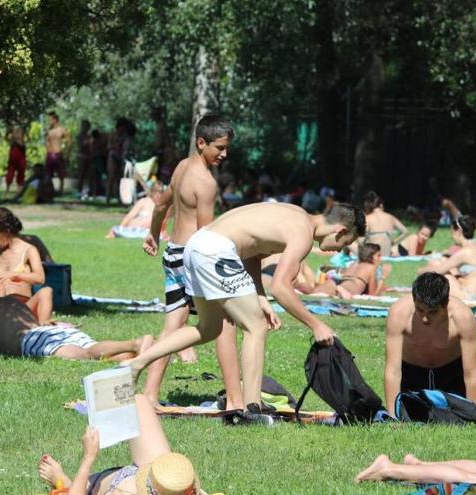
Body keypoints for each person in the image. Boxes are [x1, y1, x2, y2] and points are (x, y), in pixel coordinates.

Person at [124, 201, 365, 421]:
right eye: (346, 243)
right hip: (216, 250)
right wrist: (316, 325)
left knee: (208, 329)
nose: (341, 250)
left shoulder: (296, 214)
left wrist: (259, 296)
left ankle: (136, 364)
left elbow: (253, 254)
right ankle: (252, 409)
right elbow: (282, 288)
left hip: (197, 245)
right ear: (340, 231)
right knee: (256, 327)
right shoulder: (302, 234)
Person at [140, 115, 240, 409]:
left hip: (172, 253)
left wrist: (153, 235)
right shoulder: (206, 183)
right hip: (192, 258)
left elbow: (161, 204)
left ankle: (149, 394)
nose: (224, 154)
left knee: (173, 327)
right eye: (219, 148)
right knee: (225, 322)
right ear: (201, 142)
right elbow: (207, 236)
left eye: (226, 148)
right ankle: (236, 400)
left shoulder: (182, 167)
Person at [37, 390, 207, 495]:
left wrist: (89, 457)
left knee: (80, 488)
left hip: (117, 484)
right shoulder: (179, 484)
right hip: (157, 477)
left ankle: (65, 483)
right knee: (138, 402)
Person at [0, 275, 146, 361]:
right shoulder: (9, 302)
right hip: (53, 332)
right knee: (92, 352)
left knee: (87, 355)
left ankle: (134, 344)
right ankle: (137, 354)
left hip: (32, 339)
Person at [384, 273, 476, 416]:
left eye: (433, 312)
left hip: (450, 374)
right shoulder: (399, 313)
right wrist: (392, 416)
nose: (424, 318)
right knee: (412, 415)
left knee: (454, 418)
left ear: (446, 304)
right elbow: (392, 370)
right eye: (420, 309)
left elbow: (471, 373)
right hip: (411, 374)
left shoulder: (463, 317)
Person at [0, 207, 54, 324]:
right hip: (1, 307)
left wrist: (14, 274)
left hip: (24, 308)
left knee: (46, 291)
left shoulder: (29, 250)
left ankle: (44, 326)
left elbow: (40, 278)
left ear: (6, 230)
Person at [421, 216, 476, 302]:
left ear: (458, 232)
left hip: (467, 296)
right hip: (474, 291)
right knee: (442, 262)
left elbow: (439, 270)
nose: (452, 237)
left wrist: (420, 270)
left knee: (436, 268)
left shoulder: (464, 253)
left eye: (452, 232)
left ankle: (425, 297)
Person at [311, 243, 386, 299]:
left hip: (337, 280)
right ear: (370, 256)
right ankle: (339, 290)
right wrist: (381, 279)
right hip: (351, 285)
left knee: (315, 293)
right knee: (345, 293)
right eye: (378, 255)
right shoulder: (372, 267)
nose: (380, 258)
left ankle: (337, 288)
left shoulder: (354, 263)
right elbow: (371, 295)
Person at [363, 191, 409, 256]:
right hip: (387, 255)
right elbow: (406, 232)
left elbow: (361, 240)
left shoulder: (368, 218)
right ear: (381, 205)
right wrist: (393, 242)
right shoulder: (391, 217)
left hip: (373, 255)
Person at [107, 117, 136, 204]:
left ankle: (120, 198)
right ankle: (108, 199)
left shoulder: (126, 136)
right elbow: (108, 147)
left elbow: (127, 148)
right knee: (111, 177)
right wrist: (115, 146)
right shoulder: (112, 135)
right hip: (113, 156)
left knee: (120, 179)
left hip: (122, 158)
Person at [45, 111, 72, 194]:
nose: (49, 121)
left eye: (50, 120)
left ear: (55, 120)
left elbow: (69, 142)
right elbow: (47, 142)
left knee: (61, 174)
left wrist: (67, 154)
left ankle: (60, 190)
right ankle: (50, 190)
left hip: (58, 154)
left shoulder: (62, 130)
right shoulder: (49, 130)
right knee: (48, 174)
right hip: (50, 154)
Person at [5, 126, 27, 193]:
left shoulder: (23, 127)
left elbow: (28, 138)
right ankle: (8, 188)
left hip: (22, 150)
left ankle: (19, 189)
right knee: (11, 170)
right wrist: (12, 141)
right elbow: (6, 137)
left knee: (21, 169)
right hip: (14, 150)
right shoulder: (11, 127)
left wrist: (23, 142)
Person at [75, 120, 92, 197]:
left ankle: (87, 192)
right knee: (81, 174)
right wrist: (88, 142)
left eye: (87, 126)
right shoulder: (80, 135)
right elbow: (81, 145)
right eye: (84, 126)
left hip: (89, 157)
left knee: (89, 175)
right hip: (82, 156)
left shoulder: (89, 136)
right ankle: (79, 191)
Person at [90, 129, 109, 197]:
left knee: (103, 176)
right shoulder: (93, 142)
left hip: (102, 159)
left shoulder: (103, 138)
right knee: (97, 177)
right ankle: (95, 193)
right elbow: (92, 152)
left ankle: (105, 192)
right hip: (97, 160)